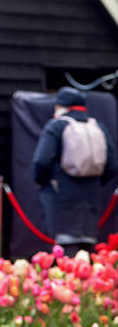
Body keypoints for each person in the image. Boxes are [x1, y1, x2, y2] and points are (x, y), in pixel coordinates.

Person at [33, 87, 117, 254]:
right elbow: (112, 165)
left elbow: (42, 161)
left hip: (61, 197)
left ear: (60, 106)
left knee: (63, 253)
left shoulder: (56, 126)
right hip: (91, 199)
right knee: (87, 252)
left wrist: (44, 182)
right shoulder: (98, 126)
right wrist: (97, 182)